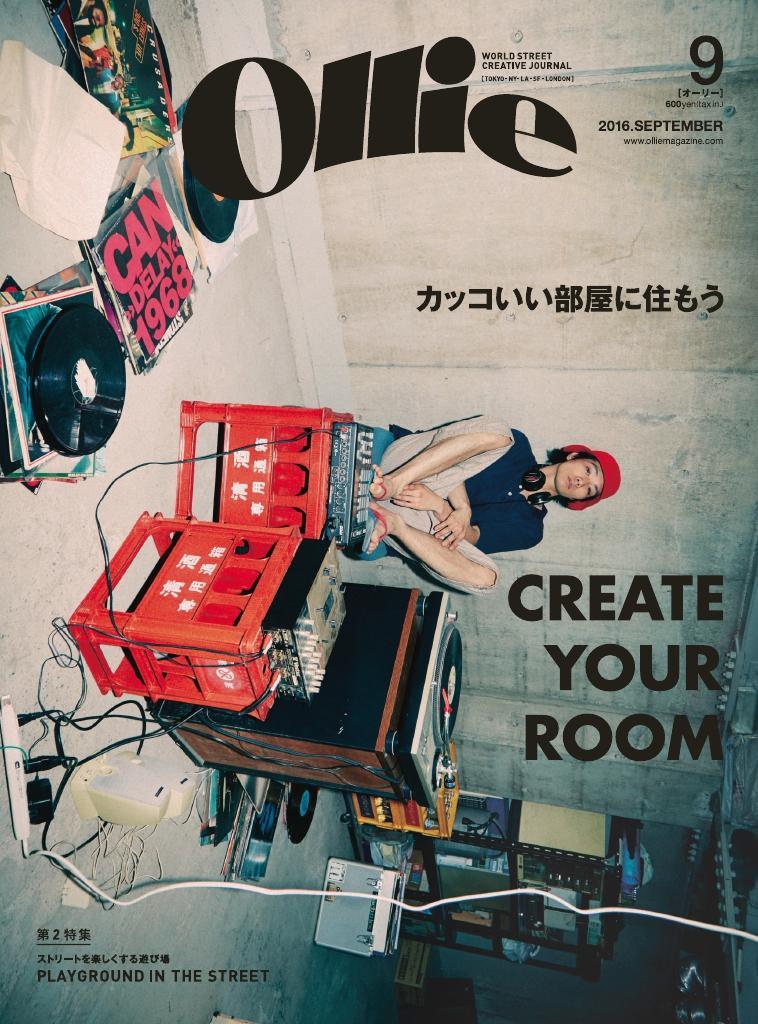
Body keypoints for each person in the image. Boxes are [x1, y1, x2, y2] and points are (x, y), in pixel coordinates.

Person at [360, 416, 621, 595]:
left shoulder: (530, 530)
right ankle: (392, 483)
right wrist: (462, 508)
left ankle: (392, 525)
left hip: (417, 522)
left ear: (578, 500)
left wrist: (440, 506)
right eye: (588, 470)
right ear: (574, 456)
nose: (582, 481)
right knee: (500, 432)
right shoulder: (517, 446)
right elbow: (451, 454)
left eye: (589, 489)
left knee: (487, 580)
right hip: (406, 466)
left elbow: (471, 537)